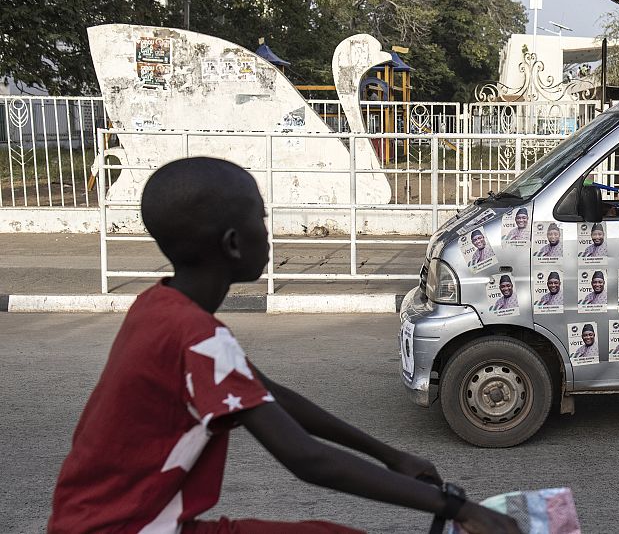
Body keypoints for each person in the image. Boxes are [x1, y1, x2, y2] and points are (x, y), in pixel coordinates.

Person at [48, 158, 520, 534]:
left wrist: (390, 455)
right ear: (234, 244)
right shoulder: (196, 337)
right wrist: (458, 507)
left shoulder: (158, 305)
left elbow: (270, 394)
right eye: (263, 217)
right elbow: (306, 459)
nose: (269, 230)